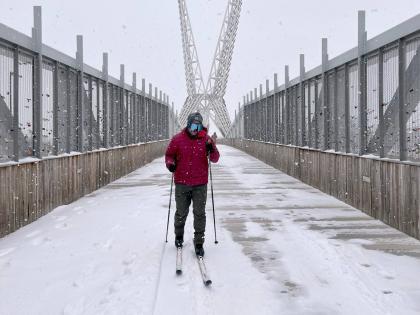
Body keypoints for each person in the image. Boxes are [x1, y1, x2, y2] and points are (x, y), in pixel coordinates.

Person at [165, 112, 220, 256]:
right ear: (188, 124)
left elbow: (215, 159)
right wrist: (170, 164)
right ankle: (178, 235)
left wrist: (212, 148)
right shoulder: (177, 139)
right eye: (192, 125)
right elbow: (169, 155)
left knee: (199, 213)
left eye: (198, 126)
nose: (195, 129)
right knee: (181, 212)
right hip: (182, 182)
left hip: (200, 183)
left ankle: (199, 242)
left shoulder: (206, 140)